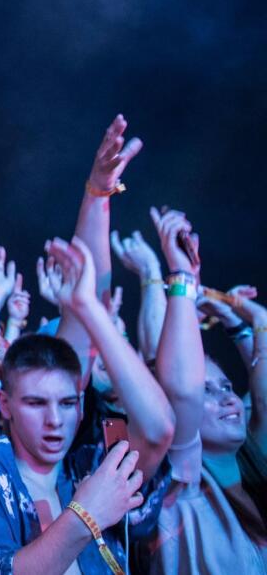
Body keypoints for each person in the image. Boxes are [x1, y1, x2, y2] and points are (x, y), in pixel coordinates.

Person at [0, 234, 175, 574]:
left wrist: (89, 308)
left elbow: (160, 430)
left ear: (82, 407)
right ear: (5, 404)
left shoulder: (92, 466)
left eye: (67, 403)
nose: (55, 419)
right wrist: (85, 515)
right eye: (36, 403)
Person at [144, 206, 267, 572]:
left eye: (227, 386)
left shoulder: (254, 469)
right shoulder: (179, 484)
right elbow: (180, 386)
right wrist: (175, 276)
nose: (228, 397)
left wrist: (249, 321)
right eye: (206, 391)